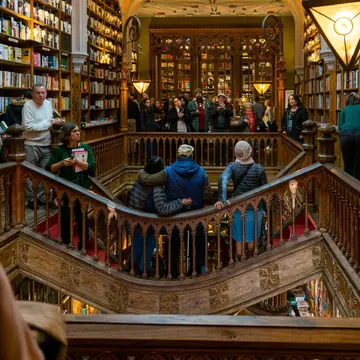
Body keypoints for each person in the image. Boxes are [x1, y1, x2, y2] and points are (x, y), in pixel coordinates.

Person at [137, 144, 213, 277]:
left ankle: (172, 274)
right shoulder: (202, 172)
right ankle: (196, 274)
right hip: (196, 216)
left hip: (175, 217)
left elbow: (147, 179)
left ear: (178, 155)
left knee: (173, 247)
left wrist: (141, 172)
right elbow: (207, 195)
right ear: (192, 155)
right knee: (197, 247)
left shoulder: (168, 172)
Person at [128, 156, 192, 276]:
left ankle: (130, 269)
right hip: (147, 224)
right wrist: (180, 202)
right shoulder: (156, 187)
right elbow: (162, 208)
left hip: (134, 221)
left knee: (136, 246)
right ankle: (143, 269)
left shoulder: (140, 179)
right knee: (148, 246)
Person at [46, 123, 96, 251]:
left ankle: (83, 245)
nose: (78, 133)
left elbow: (92, 168)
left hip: (82, 189)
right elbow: (49, 168)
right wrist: (62, 163)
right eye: (74, 131)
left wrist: (78, 162)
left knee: (82, 218)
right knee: (65, 217)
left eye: (78, 130)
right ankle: (66, 243)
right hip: (65, 190)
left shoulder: (85, 148)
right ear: (67, 135)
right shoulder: (59, 150)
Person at [215, 141, 267, 259]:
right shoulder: (259, 169)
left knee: (239, 237)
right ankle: (249, 259)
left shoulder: (233, 167)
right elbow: (265, 191)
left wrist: (222, 200)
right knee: (252, 236)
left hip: (238, 208)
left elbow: (222, 179)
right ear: (250, 151)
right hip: (255, 208)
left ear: (236, 153)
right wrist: (265, 210)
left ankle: (239, 262)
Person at [22, 83, 64, 209]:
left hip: (46, 143)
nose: (41, 96)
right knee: (30, 173)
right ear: (33, 94)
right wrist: (49, 124)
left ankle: (39, 197)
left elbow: (49, 120)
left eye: (43, 93)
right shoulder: (27, 106)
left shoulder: (48, 104)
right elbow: (28, 126)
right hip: (31, 144)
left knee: (43, 173)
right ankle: (30, 199)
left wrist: (55, 122)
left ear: (46, 93)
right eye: (38, 93)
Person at [338, 93, 360, 180]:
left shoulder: (345, 109)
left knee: (347, 162)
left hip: (347, 134)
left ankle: (347, 183)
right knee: (358, 162)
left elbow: (340, 126)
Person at [211, 93, 233, 165]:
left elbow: (231, 114)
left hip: (225, 128)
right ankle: (217, 161)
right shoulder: (214, 105)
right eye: (220, 98)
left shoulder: (228, 105)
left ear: (224, 99)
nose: (221, 99)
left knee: (225, 146)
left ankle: (225, 161)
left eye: (222, 98)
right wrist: (216, 110)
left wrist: (225, 108)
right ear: (218, 99)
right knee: (217, 146)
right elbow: (211, 115)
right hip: (216, 128)